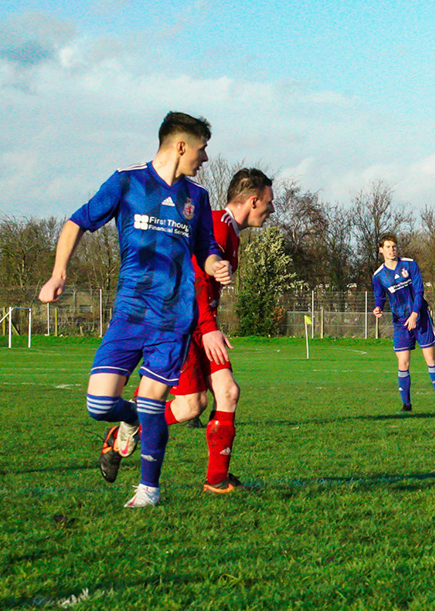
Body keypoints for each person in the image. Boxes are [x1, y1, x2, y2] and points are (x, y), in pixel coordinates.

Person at [37, 111, 231, 507]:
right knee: (99, 404)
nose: (205, 158)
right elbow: (77, 222)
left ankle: (148, 490)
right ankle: (128, 421)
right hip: (130, 312)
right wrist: (58, 275)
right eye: (202, 149)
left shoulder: (197, 197)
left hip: (173, 317)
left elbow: (206, 249)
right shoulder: (127, 181)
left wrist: (215, 264)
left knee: (152, 403)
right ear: (181, 146)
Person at [159, 167, 275, 493]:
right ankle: (133, 420)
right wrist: (210, 326)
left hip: (202, 324)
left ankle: (217, 480)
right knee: (189, 407)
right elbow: (193, 277)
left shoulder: (229, 231)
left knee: (228, 392)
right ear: (253, 200)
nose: (271, 209)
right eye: (269, 201)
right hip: (183, 325)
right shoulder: (218, 227)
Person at [372, 235, 435, 414]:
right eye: (388, 247)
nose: (392, 250)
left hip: (420, 317)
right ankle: (406, 405)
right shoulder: (378, 276)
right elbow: (379, 296)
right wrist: (377, 307)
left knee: (430, 359)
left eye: (394, 247)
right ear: (381, 250)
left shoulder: (409, 264)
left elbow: (419, 289)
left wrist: (415, 314)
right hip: (400, 322)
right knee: (403, 363)